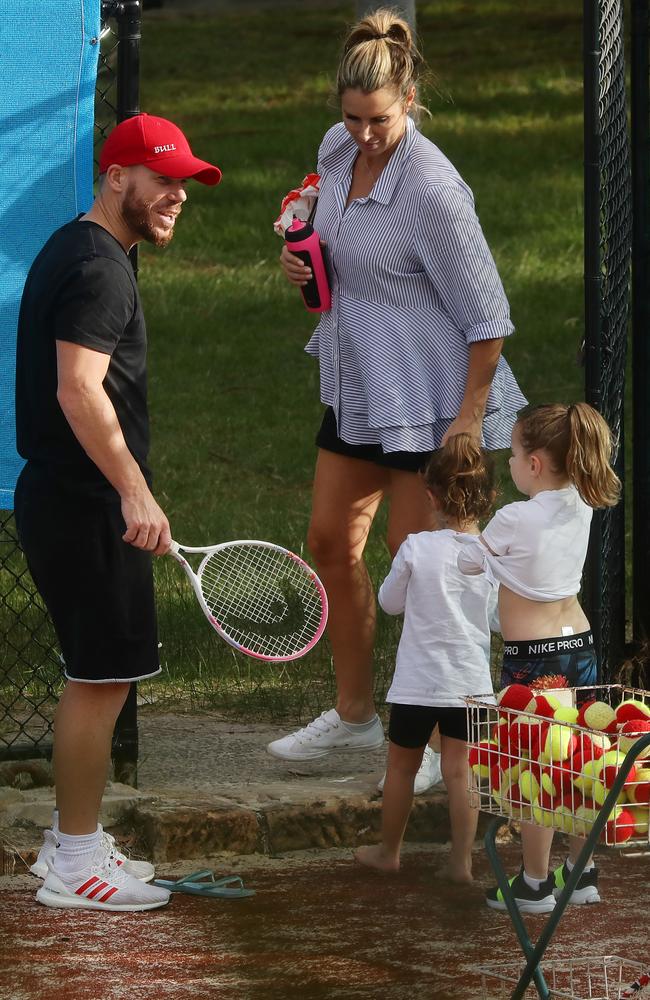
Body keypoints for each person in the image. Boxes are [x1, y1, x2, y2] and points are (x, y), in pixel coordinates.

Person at [267, 8, 526, 792]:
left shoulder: (437, 192)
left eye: (378, 119)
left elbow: (489, 321)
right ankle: (355, 718)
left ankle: (437, 743)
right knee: (328, 543)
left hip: (434, 398)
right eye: (350, 117)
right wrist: (301, 260)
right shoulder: (336, 151)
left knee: (423, 572)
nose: (363, 133)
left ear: (408, 99)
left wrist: (468, 425)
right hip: (358, 384)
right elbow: (337, 242)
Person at [14, 113, 222, 911]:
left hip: (76, 496)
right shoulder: (99, 268)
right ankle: (73, 861)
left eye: (184, 182)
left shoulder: (82, 248)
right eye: (162, 179)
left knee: (106, 676)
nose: (176, 195)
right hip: (84, 502)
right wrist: (133, 490)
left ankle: (79, 838)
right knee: (99, 680)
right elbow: (78, 390)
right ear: (116, 178)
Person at [457, 402, 621, 912]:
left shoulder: (513, 517)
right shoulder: (582, 502)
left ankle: (533, 883)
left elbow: (467, 561)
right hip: (581, 646)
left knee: (533, 768)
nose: (507, 461)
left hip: (532, 659)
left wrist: (462, 522)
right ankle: (582, 870)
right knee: (581, 760)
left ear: (533, 464)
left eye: (512, 452)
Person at [354, 435, 497, 879]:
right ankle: (461, 861)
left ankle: (389, 852)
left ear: (430, 494)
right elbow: (496, 621)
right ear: (490, 498)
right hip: (471, 684)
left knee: (400, 768)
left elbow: (390, 602)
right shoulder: (492, 553)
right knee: (461, 771)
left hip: (418, 683)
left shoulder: (416, 547)